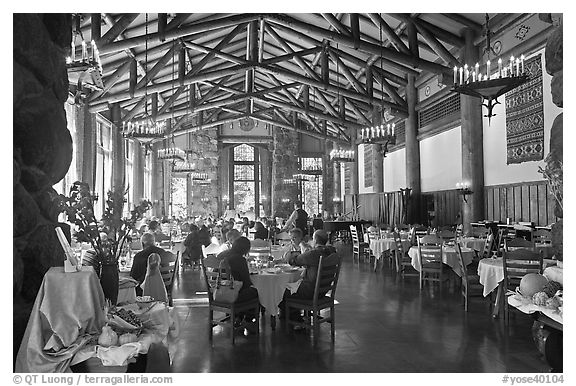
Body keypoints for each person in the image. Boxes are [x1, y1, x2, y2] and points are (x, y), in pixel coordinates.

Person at [279, 230, 338, 321]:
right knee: (291, 287)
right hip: (323, 291)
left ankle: (294, 319)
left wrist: (288, 256)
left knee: (280, 291)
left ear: (314, 240)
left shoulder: (313, 254)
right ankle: (293, 315)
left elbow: (294, 261)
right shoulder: (331, 252)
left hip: (309, 292)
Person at [218, 237, 259, 330]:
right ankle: (249, 319)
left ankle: (238, 316)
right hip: (232, 295)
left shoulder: (222, 255)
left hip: (218, 292)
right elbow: (246, 282)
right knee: (256, 291)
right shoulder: (239, 260)